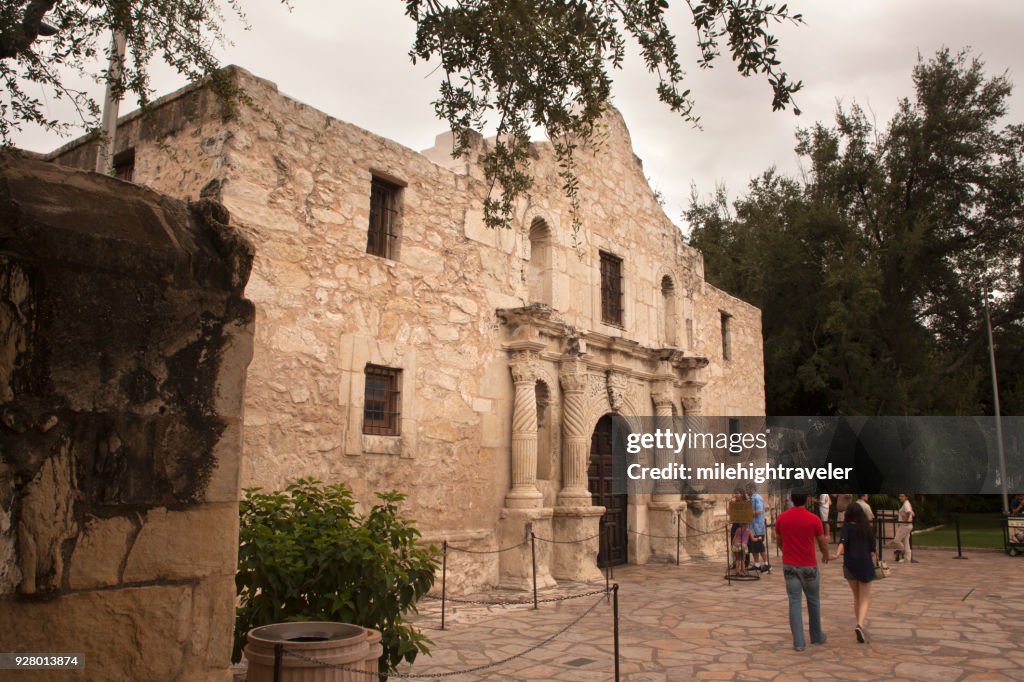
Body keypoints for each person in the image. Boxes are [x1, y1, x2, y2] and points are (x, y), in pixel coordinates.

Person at [775, 492, 830, 651]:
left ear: (791, 499)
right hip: (808, 564)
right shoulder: (813, 519)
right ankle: (816, 635)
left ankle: (798, 642)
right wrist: (825, 554)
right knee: (813, 600)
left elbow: (779, 540)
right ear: (807, 499)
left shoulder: (782, 518)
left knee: (794, 601)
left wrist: (786, 551)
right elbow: (821, 542)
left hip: (790, 564)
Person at [832, 500, 876, 644]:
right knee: (865, 598)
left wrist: (837, 555)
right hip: (865, 564)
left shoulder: (847, 527)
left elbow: (842, 543)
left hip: (850, 565)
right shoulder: (867, 528)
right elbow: (872, 550)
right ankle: (860, 625)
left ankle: (859, 623)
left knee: (856, 597)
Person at [747, 483, 769, 573]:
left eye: (748, 489)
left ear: (752, 489)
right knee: (753, 547)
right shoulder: (751, 499)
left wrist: (747, 513)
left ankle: (767, 564)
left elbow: (759, 511)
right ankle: (757, 564)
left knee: (759, 547)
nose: (746, 491)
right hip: (751, 527)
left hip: (757, 527)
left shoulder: (757, 498)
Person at [893, 493, 915, 563]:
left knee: (896, 540)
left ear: (906, 497)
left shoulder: (906, 504)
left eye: (902, 496)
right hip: (907, 525)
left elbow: (908, 512)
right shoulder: (907, 504)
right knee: (906, 542)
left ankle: (903, 550)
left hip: (905, 526)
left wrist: (905, 520)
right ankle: (907, 559)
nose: (900, 497)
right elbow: (913, 514)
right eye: (900, 496)